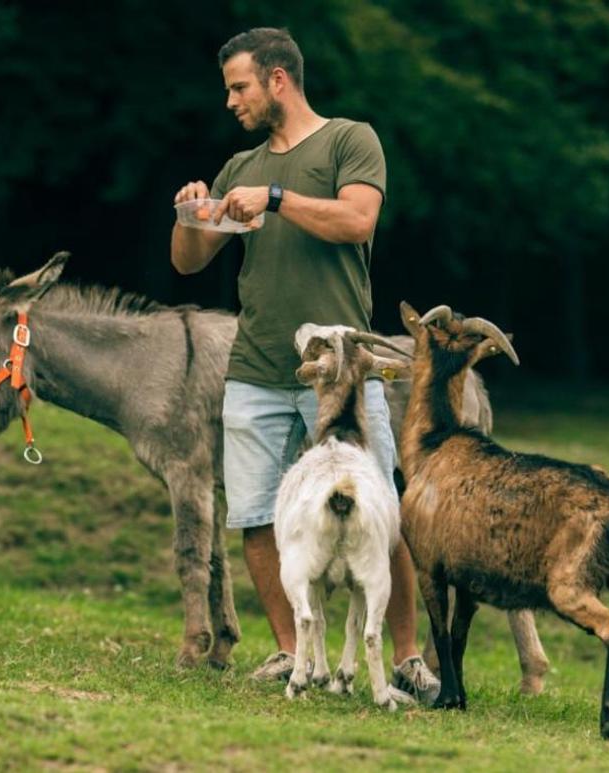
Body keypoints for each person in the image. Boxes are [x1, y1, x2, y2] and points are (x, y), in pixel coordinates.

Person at [170, 28, 440, 701]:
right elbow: (189, 261)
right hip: (256, 365)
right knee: (257, 514)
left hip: (341, 371)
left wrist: (277, 199)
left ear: (278, 79)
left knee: (381, 509)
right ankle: (295, 654)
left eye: (240, 87)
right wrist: (188, 216)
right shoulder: (239, 167)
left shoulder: (350, 140)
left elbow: (357, 221)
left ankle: (408, 657)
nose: (231, 101)